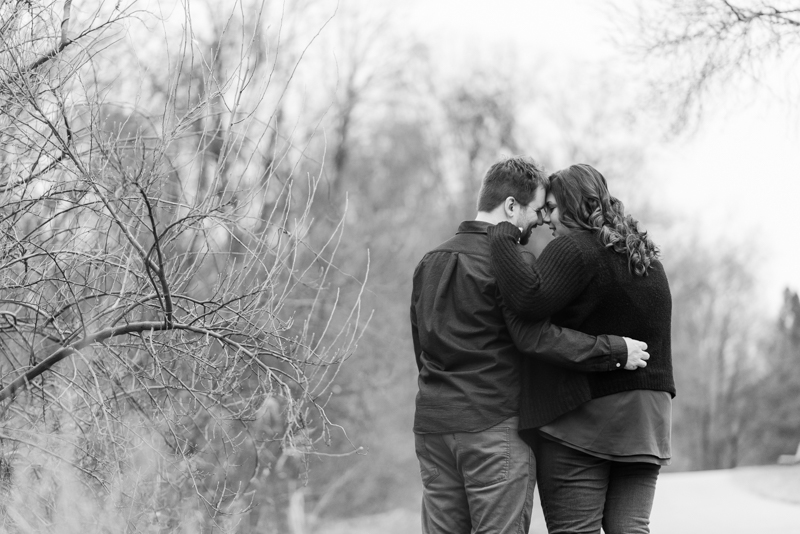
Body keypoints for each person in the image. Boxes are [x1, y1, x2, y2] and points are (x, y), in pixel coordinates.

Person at [410, 156, 651, 534]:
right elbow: (537, 337)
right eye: (537, 210)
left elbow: (421, 347)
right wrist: (612, 350)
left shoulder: (430, 261)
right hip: (492, 426)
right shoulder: (510, 261)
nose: (540, 220)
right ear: (510, 206)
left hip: (432, 429)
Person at [487, 163, 675, 534]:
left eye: (552, 209)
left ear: (573, 206)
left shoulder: (575, 247)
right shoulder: (646, 257)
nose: (547, 220)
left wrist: (502, 237)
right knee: (631, 529)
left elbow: (527, 298)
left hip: (585, 421)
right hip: (648, 426)